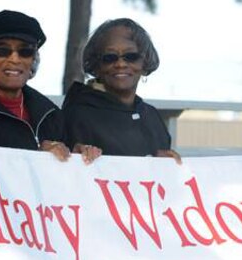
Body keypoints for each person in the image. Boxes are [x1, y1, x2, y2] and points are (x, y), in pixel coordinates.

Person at [0, 10, 99, 163]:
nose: (15, 59)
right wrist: (35, 155)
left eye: (25, 51)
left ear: (33, 61)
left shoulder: (51, 114)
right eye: (3, 51)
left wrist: (76, 156)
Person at [62, 18, 180, 160]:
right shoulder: (76, 115)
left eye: (131, 56)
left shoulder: (152, 117)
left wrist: (164, 163)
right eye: (110, 57)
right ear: (96, 65)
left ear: (145, 62)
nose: (120, 64)